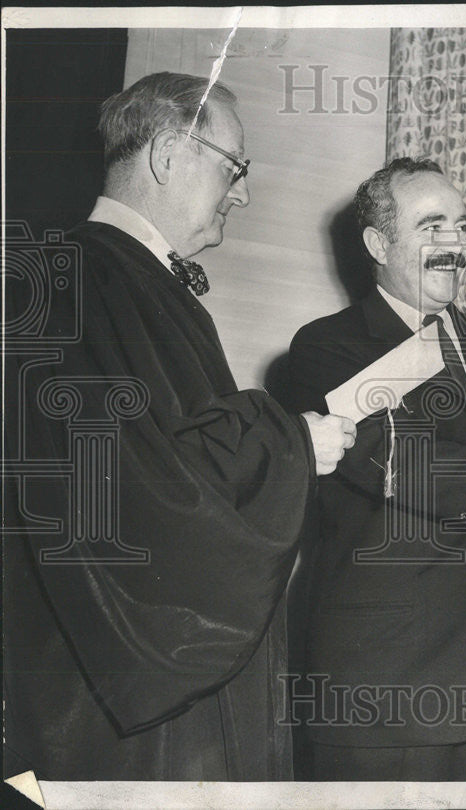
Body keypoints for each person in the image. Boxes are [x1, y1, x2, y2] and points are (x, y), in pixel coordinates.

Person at [3, 72, 356, 781]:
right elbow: (124, 492)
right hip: (115, 698)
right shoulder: (58, 282)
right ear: (168, 155)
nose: (245, 193)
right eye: (235, 169)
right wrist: (290, 445)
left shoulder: (134, 282)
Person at [288, 157, 466, 781]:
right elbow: (394, 458)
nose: (455, 244)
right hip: (385, 687)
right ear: (378, 243)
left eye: (461, 226)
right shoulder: (329, 345)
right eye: (432, 226)